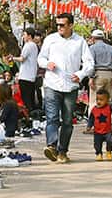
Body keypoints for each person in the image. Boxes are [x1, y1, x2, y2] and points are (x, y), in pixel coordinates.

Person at [37, 13, 94, 163]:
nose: (59, 27)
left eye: (62, 25)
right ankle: (51, 146)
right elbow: (41, 58)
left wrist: (81, 74)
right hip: (51, 84)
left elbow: (89, 63)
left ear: (70, 25)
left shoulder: (80, 41)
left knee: (68, 120)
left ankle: (63, 151)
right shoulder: (51, 39)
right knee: (52, 117)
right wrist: (46, 64)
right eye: (58, 25)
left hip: (70, 86)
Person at [16, 27, 40, 119]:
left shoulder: (28, 45)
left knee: (26, 99)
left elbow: (22, 58)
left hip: (25, 76)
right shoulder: (35, 46)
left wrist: (12, 58)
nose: (23, 36)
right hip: (31, 76)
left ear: (29, 36)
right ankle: (33, 116)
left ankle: (29, 117)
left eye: (24, 34)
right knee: (30, 98)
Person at [89, 89, 112, 161]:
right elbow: (91, 118)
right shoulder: (94, 109)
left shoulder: (109, 107)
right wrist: (89, 126)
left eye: (101, 100)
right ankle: (98, 153)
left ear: (107, 100)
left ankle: (109, 151)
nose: (98, 101)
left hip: (108, 131)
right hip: (97, 131)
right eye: (97, 99)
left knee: (110, 142)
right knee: (97, 144)